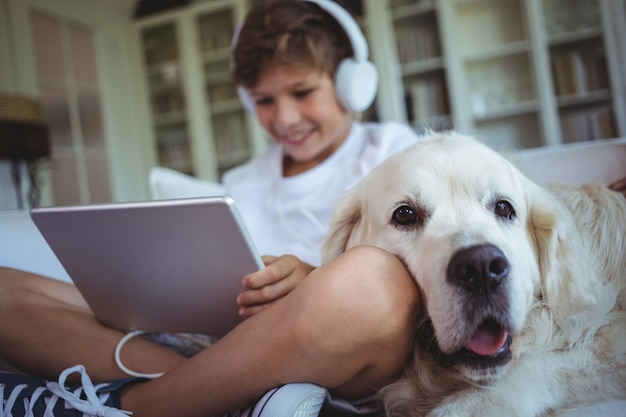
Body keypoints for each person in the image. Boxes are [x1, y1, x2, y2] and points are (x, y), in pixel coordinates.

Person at [0, 1, 422, 416]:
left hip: (338, 348)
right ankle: (223, 398)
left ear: (351, 83)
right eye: (264, 100)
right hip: (220, 341)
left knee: (369, 280)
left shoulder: (394, 152)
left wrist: (313, 281)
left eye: (302, 92)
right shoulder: (242, 182)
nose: (286, 118)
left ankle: (140, 404)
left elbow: (420, 279)